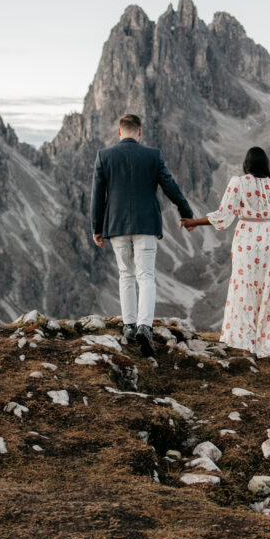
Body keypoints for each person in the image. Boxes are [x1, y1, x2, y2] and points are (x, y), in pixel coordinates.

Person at [90, 114, 194, 357]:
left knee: (126, 275)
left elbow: (97, 196)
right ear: (139, 133)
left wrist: (97, 228)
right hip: (146, 225)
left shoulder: (104, 156)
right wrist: (186, 213)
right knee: (146, 276)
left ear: (119, 132)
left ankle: (128, 326)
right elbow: (171, 187)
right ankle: (145, 327)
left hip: (115, 226)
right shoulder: (153, 155)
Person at [181, 146, 270, 358]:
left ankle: (243, 340)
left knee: (244, 289)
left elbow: (223, 216)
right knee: (264, 290)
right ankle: (261, 342)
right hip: (268, 244)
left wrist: (194, 221)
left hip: (246, 243)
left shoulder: (238, 183)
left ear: (247, 164)